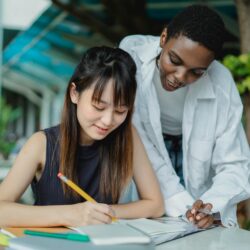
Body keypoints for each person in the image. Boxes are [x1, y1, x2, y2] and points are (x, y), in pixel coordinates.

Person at [0, 46, 164, 227]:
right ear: (74, 94)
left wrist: (102, 212)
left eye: (120, 110)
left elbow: (155, 205)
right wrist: (70, 214)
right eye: (99, 107)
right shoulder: (41, 144)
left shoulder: (127, 136)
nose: (108, 120)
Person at [119, 4, 250, 228]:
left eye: (197, 72)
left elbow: (235, 164)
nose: (180, 76)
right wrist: (185, 207)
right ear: (163, 38)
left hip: (198, 177)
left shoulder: (221, 82)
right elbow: (139, 138)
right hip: (145, 154)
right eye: (175, 60)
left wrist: (209, 205)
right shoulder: (131, 57)